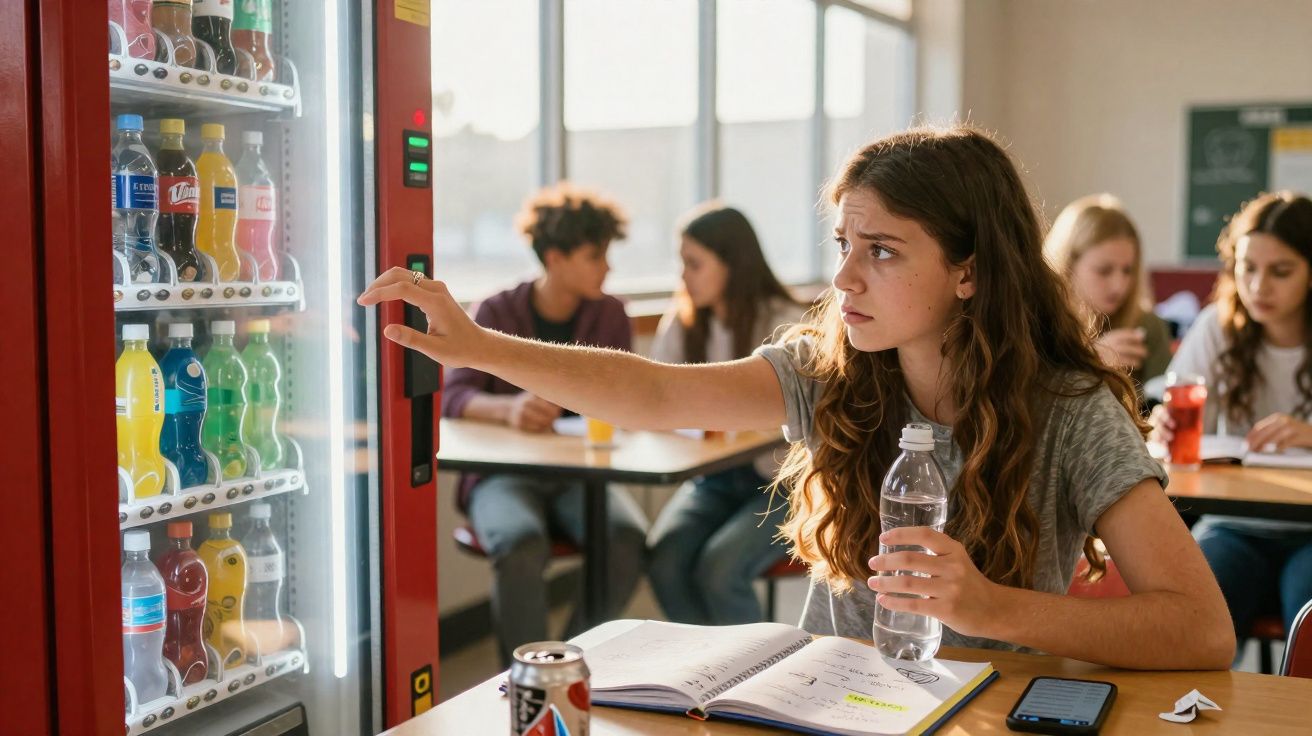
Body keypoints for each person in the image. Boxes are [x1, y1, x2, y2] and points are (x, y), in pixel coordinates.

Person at [364, 124, 1233, 670]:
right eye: (843, 242)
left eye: (882, 250)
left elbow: (1200, 630)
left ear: (970, 271)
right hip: (830, 697)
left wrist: (988, 607)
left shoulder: (1070, 409)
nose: (844, 277)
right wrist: (476, 346)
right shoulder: (834, 372)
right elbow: (655, 395)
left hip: (988, 707)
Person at [438, 183, 649, 664]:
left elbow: (628, 395)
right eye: (595, 255)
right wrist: (509, 409)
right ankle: (522, 685)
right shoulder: (495, 311)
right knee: (518, 544)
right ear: (555, 257)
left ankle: (568, 665)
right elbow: (454, 396)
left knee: (625, 539)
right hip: (504, 475)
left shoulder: (610, 315)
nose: (608, 267)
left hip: (585, 475)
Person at [1153, 191, 1312, 657]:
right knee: (1192, 612)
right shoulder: (1215, 328)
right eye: (1248, 268)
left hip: (1309, 531)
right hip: (1234, 524)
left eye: (1281, 271)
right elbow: (1179, 412)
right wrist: (1165, 426)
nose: (1260, 285)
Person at [646, 203, 809, 624]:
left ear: (732, 265)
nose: (683, 276)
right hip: (715, 480)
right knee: (664, 559)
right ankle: (706, 668)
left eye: (694, 264)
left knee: (720, 570)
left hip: (783, 484)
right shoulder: (683, 322)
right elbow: (656, 397)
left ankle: (760, 674)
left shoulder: (785, 324)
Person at [1044, 194, 1173, 389]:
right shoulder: (1039, 323)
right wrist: (1091, 362)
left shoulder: (1148, 326)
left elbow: (1161, 403)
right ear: (1067, 266)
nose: (1119, 286)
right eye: (1104, 271)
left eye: (1128, 270)